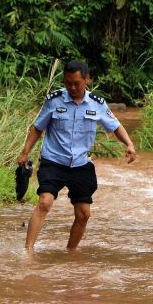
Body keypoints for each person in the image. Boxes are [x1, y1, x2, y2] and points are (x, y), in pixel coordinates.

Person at [17, 60, 137, 250]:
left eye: (76, 83)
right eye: (68, 83)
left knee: (83, 214)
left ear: (86, 79)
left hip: (81, 164)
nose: (72, 87)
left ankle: (70, 252)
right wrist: (25, 152)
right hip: (53, 161)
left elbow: (115, 126)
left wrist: (129, 144)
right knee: (45, 202)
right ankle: (28, 250)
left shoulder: (97, 104)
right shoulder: (53, 100)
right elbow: (38, 128)